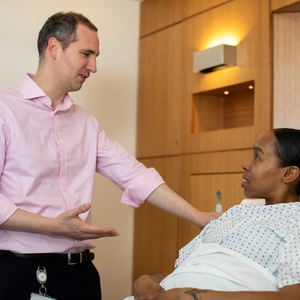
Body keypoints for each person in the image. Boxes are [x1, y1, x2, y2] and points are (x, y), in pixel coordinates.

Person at [0, 11, 220, 300]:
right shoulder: (5, 110)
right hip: (21, 272)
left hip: (82, 275)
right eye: (86, 54)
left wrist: (199, 217)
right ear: (54, 48)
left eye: (96, 56)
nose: (93, 66)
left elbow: (135, 175)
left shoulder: (86, 123)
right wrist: (54, 226)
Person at [129, 128, 300, 300]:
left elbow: (293, 296)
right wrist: (148, 280)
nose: (246, 164)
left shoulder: (295, 222)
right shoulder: (235, 213)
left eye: (257, 157)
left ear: (288, 173)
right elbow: (191, 271)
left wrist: (196, 296)